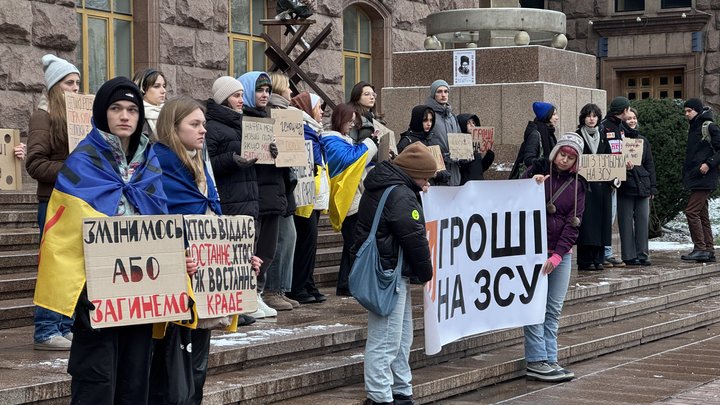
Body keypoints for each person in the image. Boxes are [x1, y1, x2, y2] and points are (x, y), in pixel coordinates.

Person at [32, 76, 188, 404]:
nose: (124, 115)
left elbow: (161, 223)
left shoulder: (150, 163)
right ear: (104, 112)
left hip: (141, 293)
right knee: (96, 379)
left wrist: (177, 266)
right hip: (96, 293)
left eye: (132, 109)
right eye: (116, 108)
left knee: (135, 379)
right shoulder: (81, 163)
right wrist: (80, 291)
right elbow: (61, 236)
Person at [351, 142, 435, 405]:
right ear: (412, 172)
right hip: (388, 273)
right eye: (424, 178)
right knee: (387, 338)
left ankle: (400, 389)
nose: (425, 184)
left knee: (400, 337)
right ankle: (380, 396)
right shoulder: (400, 194)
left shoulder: (388, 185)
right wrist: (426, 272)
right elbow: (414, 237)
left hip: (391, 269)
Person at [25, 54, 80, 351]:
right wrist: (72, 168)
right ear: (54, 87)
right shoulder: (43, 116)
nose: (75, 88)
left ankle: (65, 325)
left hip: (76, 200)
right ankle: (46, 328)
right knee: (54, 266)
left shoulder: (80, 118)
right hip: (53, 201)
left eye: (77, 83)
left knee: (71, 267)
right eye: (69, 83)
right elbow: (34, 164)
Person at [523, 132, 586, 383]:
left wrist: (559, 255)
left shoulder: (579, 185)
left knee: (552, 309)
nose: (564, 160)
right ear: (555, 153)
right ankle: (536, 360)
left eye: (570, 157)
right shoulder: (537, 172)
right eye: (562, 154)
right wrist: (531, 183)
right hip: (534, 252)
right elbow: (513, 200)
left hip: (560, 255)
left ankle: (550, 357)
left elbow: (574, 224)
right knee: (534, 307)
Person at [204, 76, 262, 324]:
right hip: (229, 198)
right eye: (236, 95)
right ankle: (227, 309)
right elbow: (206, 163)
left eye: (241, 95)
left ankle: (240, 305)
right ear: (223, 98)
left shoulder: (242, 123)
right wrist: (230, 159)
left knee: (244, 257)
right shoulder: (212, 126)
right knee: (227, 258)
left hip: (247, 195)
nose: (241, 100)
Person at [238, 71, 285, 318]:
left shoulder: (271, 119)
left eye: (267, 90)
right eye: (259, 90)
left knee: (267, 249)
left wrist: (283, 152)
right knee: (252, 248)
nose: (265, 95)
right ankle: (249, 295)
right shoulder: (241, 120)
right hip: (252, 194)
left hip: (271, 194)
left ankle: (258, 293)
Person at [321, 102, 378, 296]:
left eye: (355, 121)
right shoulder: (330, 141)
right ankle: (353, 283)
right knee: (354, 243)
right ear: (339, 119)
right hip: (346, 200)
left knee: (351, 244)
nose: (352, 125)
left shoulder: (345, 140)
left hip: (355, 198)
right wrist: (370, 144)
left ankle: (346, 284)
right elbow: (350, 161)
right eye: (349, 121)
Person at [263, 71, 301, 311]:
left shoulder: (289, 115)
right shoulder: (272, 114)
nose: (291, 93)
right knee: (281, 238)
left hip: (284, 184)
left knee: (289, 237)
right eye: (288, 88)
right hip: (272, 185)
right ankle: (271, 290)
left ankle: (279, 289)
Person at [287, 91, 329, 304]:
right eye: (318, 107)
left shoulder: (313, 130)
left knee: (310, 242)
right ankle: (298, 286)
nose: (322, 111)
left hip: (315, 193)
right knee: (305, 240)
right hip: (304, 196)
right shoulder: (302, 129)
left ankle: (307, 283)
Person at [681, 98, 720, 263]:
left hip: (705, 177)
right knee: (702, 213)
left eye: (689, 111)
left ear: (697, 110)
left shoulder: (709, 126)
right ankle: (708, 249)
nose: (686, 114)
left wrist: (708, 164)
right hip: (697, 177)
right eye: (685, 111)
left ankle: (700, 248)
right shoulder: (694, 127)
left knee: (691, 211)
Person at [575, 103, 613, 271]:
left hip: (602, 187)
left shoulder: (604, 136)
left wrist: (616, 177)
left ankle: (598, 258)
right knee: (587, 223)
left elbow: (611, 159)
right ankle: (585, 260)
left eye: (595, 116)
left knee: (601, 223)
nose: (591, 119)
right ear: (583, 118)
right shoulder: (577, 136)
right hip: (584, 187)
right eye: (588, 116)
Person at [617, 107, 657, 266]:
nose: (632, 121)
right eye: (628, 119)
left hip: (643, 186)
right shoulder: (618, 140)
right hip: (626, 187)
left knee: (642, 222)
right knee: (625, 222)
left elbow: (650, 165)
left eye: (634, 118)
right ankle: (628, 256)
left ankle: (643, 254)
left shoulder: (643, 140)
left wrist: (652, 187)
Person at [600, 96, 630, 268]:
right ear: (624, 110)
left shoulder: (620, 126)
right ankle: (605, 252)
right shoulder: (605, 126)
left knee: (611, 217)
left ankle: (607, 251)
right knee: (607, 216)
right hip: (605, 178)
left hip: (617, 178)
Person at [425, 79, 462, 186]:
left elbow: (459, 139)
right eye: (439, 91)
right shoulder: (428, 115)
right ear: (433, 94)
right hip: (436, 170)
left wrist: (464, 154)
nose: (443, 95)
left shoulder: (452, 116)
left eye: (446, 92)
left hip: (454, 171)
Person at [509, 101, 558, 179]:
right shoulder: (535, 134)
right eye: (554, 114)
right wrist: (544, 165)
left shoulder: (549, 132)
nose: (557, 117)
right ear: (546, 116)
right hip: (533, 178)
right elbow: (528, 159)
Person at [132, 68, 167, 142]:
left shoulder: (170, 113)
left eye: (164, 86)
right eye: (156, 86)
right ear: (142, 89)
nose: (163, 91)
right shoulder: (135, 116)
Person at [457, 113, 494, 182]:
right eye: (468, 123)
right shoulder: (458, 143)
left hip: (478, 183)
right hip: (465, 184)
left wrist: (489, 156)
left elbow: (479, 168)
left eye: (473, 122)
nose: (472, 125)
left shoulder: (476, 143)